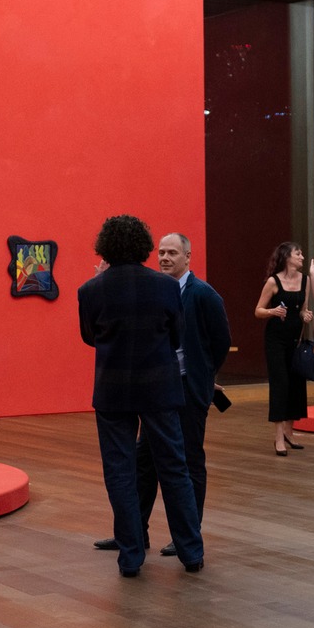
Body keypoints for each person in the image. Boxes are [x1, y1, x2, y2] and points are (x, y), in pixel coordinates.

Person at [77, 215, 204, 577]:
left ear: (105, 247)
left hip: (112, 390)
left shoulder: (90, 290)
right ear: (144, 246)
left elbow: (90, 337)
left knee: (119, 471)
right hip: (159, 388)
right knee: (174, 468)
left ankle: (131, 556)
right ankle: (191, 552)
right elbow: (177, 335)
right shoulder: (165, 286)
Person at [130, 233, 231, 553]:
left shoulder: (203, 294)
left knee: (189, 460)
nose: (164, 258)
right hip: (158, 388)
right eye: (161, 252)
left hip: (188, 388)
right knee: (144, 460)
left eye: (172, 253)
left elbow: (221, 341)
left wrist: (204, 376)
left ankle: (188, 535)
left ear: (188, 257)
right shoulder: (155, 291)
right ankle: (135, 532)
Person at [257, 241, 314, 455]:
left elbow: (302, 309)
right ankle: (279, 437)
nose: (302, 257)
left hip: (295, 340)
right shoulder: (273, 281)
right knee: (280, 384)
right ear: (287, 257)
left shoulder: (305, 280)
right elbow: (258, 310)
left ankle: (290, 432)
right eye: (298, 253)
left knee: (296, 384)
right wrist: (272, 312)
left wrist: (306, 315)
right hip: (275, 340)